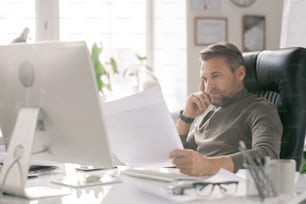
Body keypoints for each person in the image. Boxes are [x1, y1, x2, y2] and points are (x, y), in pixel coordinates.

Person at [169, 42, 282, 176]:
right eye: (205, 79)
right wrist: (186, 118)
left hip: (224, 188)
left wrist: (209, 166)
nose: (209, 86)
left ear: (240, 73)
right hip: (191, 183)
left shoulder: (260, 109)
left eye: (215, 75)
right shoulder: (208, 113)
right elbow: (176, 156)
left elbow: (266, 155)